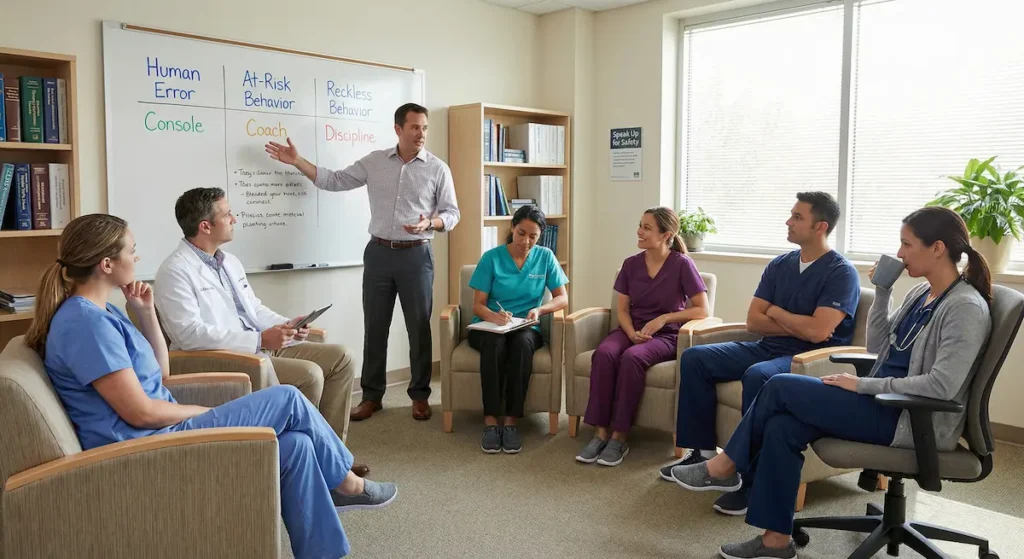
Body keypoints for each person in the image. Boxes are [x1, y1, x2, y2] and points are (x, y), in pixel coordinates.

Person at [25, 214, 397, 559]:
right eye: (131, 251)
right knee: (287, 398)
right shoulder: (85, 325)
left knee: (296, 445)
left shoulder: (103, 313)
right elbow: (139, 411)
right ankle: (348, 485)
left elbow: (160, 373)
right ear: (106, 265)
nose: (137, 258)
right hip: (142, 449)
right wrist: (208, 414)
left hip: (157, 432)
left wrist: (145, 314)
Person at [669, 206, 992, 559]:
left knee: (779, 384)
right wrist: (882, 291)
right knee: (782, 426)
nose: (899, 253)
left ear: (937, 248)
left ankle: (724, 467)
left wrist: (861, 386)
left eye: (906, 244)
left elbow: (940, 387)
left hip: (912, 420)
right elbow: (878, 348)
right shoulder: (921, 294)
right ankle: (775, 541)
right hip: (884, 404)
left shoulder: (964, 308)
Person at [664, 192, 861, 516]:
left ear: (820, 226)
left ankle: (749, 479)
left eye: (797, 217)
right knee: (696, 357)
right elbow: (755, 320)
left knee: (759, 375)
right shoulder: (781, 264)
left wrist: (778, 313)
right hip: (766, 347)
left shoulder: (841, 273)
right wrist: (798, 321)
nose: (788, 221)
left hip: (809, 359)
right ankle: (701, 455)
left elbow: (817, 334)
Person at [266, 103, 460, 423]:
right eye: (414, 127)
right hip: (379, 253)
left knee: (418, 328)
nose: (421, 134)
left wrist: (432, 224)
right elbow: (334, 180)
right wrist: (297, 160)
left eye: (424, 128)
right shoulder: (374, 162)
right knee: (375, 325)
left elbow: (452, 214)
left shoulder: (438, 168)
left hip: (417, 255)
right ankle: (372, 395)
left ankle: (420, 395)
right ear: (398, 129)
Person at [154, 188, 368, 477]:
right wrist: (257, 339)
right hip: (228, 355)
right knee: (310, 374)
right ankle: (316, 463)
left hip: (258, 343)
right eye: (227, 214)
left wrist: (287, 325)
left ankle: (330, 455)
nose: (235, 219)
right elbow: (189, 334)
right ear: (205, 226)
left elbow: (252, 309)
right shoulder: (174, 271)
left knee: (342, 358)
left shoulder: (228, 261)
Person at [575, 207, 709, 467]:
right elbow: (622, 309)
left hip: (666, 335)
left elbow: (702, 309)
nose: (639, 231)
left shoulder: (682, 264)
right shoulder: (631, 264)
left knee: (632, 359)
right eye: (640, 225)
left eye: (647, 227)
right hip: (631, 328)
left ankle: (619, 437)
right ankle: (600, 432)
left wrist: (664, 318)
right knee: (604, 353)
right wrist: (630, 332)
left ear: (665, 234)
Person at [468, 206, 568, 453]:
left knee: (522, 346)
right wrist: (494, 316)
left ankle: (511, 421)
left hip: (525, 325)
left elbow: (562, 298)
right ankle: (491, 420)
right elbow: (478, 305)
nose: (526, 241)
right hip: (489, 325)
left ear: (540, 236)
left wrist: (540, 311)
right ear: (512, 228)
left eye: (533, 236)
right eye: (521, 233)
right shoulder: (491, 258)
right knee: (494, 344)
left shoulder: (545, 257)